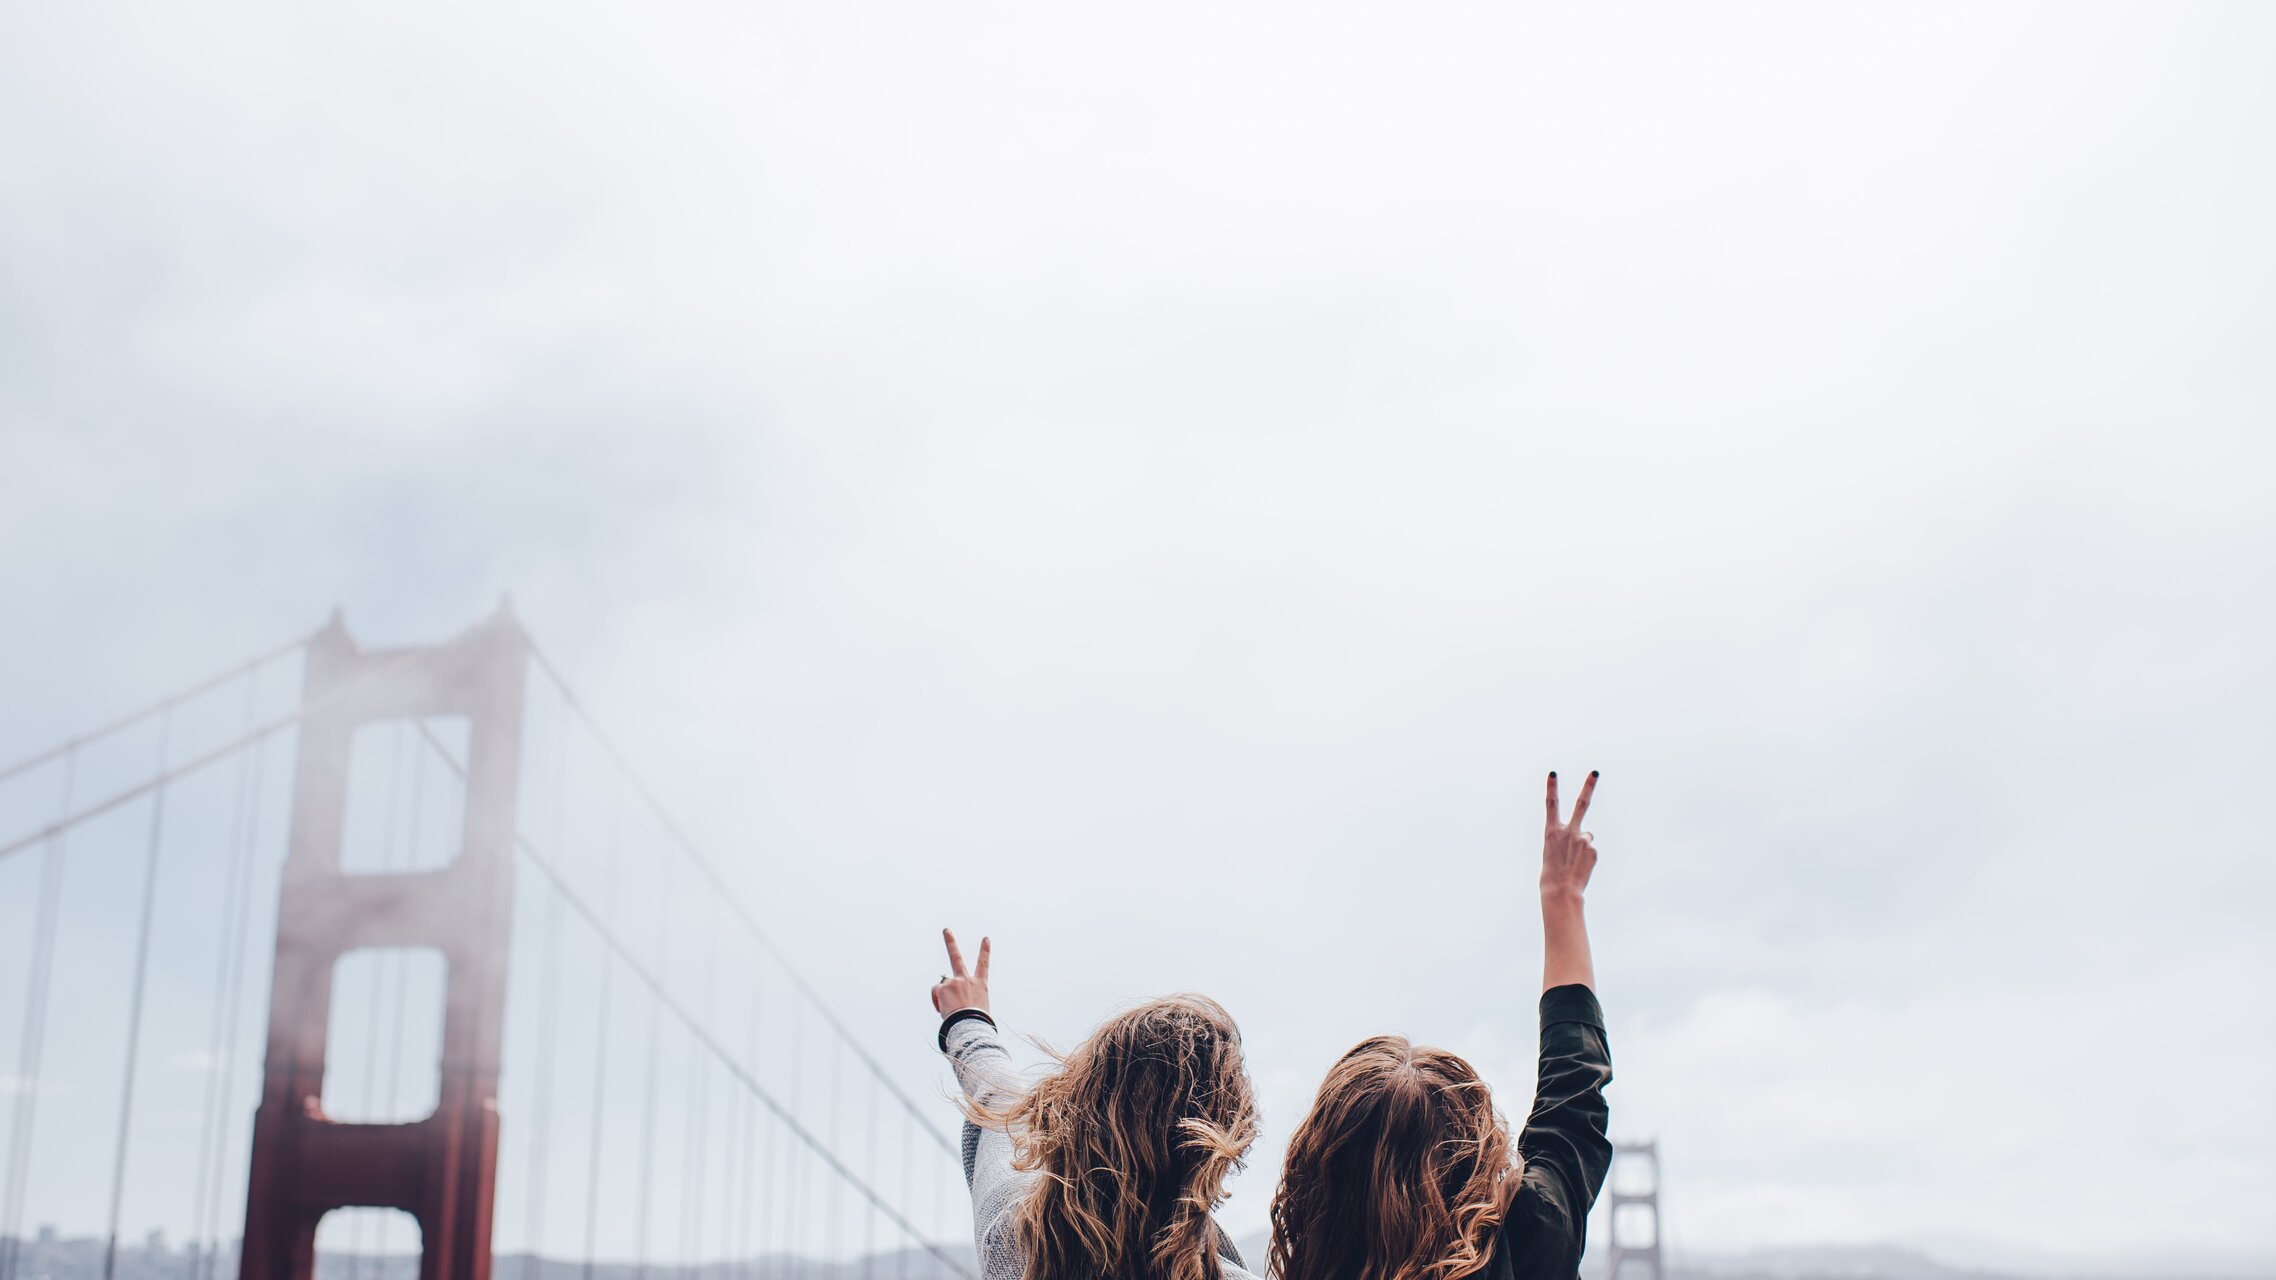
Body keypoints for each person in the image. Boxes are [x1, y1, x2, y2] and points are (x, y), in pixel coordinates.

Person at [1270, 770, 1614, 1280]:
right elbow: (1573, 1099)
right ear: (1476, 1153)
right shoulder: (1530, 1239)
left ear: (1317, 1177)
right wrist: (1562, 896)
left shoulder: (1317, 1258)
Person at [928, 929, 1262, 1280]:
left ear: (1078, 1102)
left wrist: (966, 1017)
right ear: (1221, 1142)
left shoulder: (1011, 1238)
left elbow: (998, 1100)